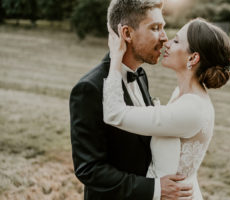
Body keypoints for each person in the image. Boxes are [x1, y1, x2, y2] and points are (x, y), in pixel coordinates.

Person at [103, 18, 230, 200]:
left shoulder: (191, 109)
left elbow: (115, 114)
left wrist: (116, 58)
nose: (166, 43)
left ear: (193, 58)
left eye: (176, 41)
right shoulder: (182, 95)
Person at [69, 0, 193, 199]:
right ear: (127, 33)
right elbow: (89, 169)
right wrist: (155, 189)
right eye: (155, 28)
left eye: (163, 28)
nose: (164, 37)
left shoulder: (141, 75)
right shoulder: (89, 89)